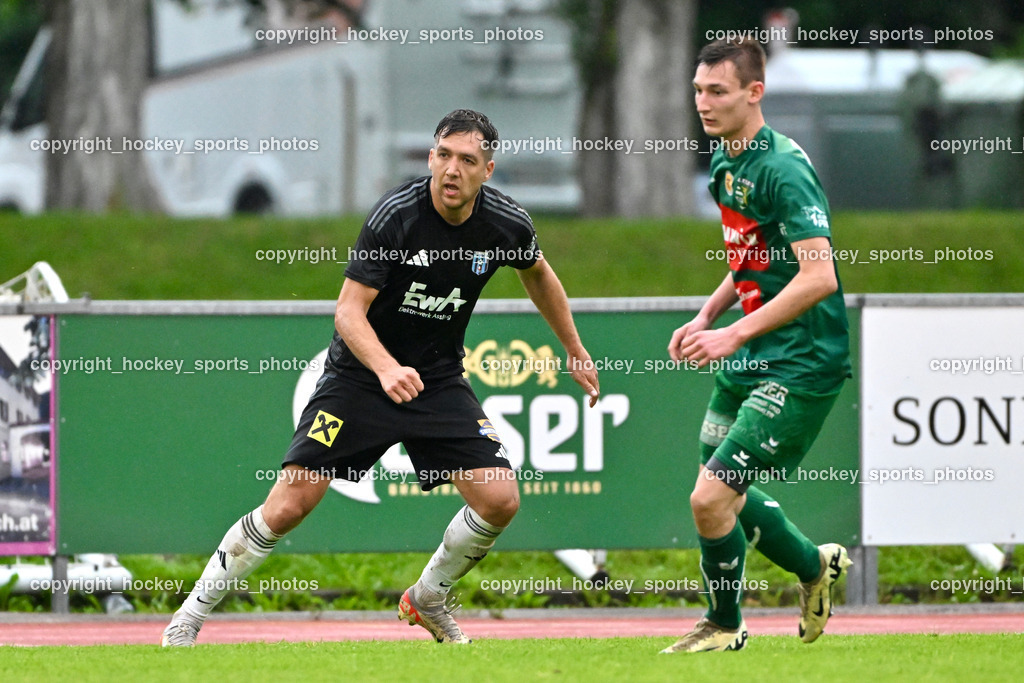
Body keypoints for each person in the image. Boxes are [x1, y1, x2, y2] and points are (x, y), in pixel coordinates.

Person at [161, 109, 601, 647]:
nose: (451, 170)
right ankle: (188, 619)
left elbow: (539, 274)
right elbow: (348, 311)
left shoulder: (507, 223)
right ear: (432, 157)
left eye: (467, 160)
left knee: (500, 499)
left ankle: (428, 596)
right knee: (288, 505)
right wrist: (386, 367)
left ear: (488, 169)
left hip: (436, 381)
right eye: (443, 155)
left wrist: (574, 349)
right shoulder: (398, 215)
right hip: (360, 379)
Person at [662, 38, 853, 653]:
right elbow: (750, 253)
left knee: (710, 497)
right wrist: (709, 312)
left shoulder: (783, 168)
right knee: (719, 493)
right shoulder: (725, 160)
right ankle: (812, 568)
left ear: (754, 93)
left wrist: (735, 331)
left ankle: (724, 625)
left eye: (717, 91)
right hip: (753, 351)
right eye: (698, 90)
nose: (703, 102)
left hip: (800, 361)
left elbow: (819, 275)